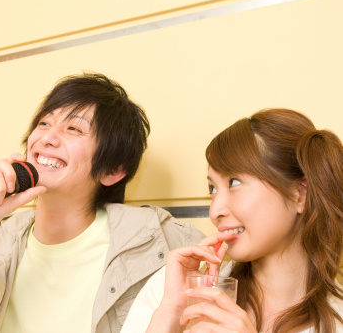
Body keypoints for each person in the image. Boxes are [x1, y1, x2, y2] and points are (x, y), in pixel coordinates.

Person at [0, 72, 205, 333]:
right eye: (44, 123)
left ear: (112, 170)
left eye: (74, 129)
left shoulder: (159, 243)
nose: (47, 139)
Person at [121, 108, 343, 333]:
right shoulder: (171, 289)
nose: (215, 210)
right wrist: (169, 314)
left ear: (300, 194)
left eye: (234, 182)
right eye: (212, 188)